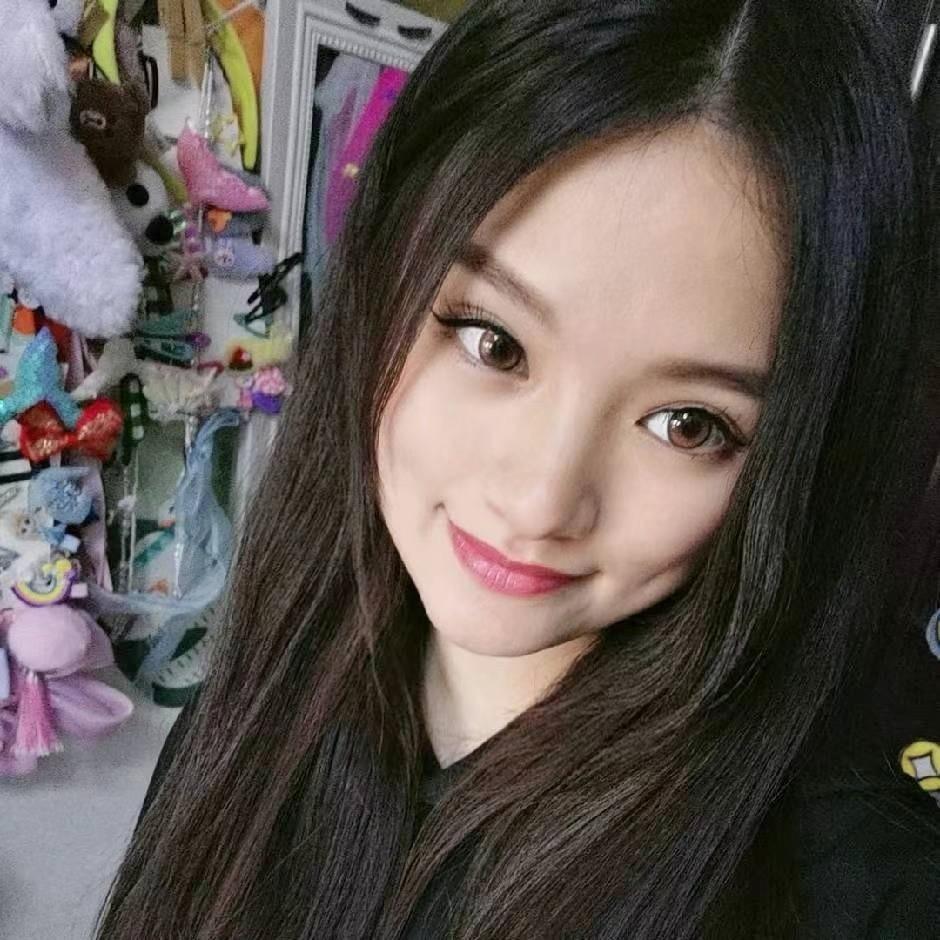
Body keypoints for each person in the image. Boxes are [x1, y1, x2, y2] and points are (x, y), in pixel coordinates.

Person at [96, 1, 940, 937]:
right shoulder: (249, 722)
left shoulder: (851, 893)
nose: (541, 500)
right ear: (382, 285)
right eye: (493, 343)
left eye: (688, 424)